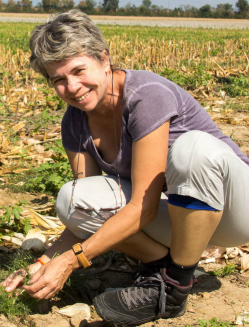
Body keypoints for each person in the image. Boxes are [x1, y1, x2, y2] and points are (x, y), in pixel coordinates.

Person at [2, 9, 249, 327]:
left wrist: (72, 261)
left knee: (193, 150)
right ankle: (162, 265)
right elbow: (82, 213)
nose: (73, 87)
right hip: (180, 216)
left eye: (79, 70)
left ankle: (174, 286)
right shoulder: (75, 123)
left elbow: (143, 209)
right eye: (59, 80)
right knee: (72, 199)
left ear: (104, 59)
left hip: (236, 210)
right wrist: (44, 261)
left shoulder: (146, 97)